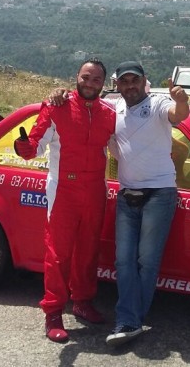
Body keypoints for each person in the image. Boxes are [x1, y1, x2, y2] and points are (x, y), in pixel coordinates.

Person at [50, 60, 190, 347]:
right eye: (124, 81)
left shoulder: (159, 103)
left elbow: (178, 115)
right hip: (127, 194)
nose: (130, 85)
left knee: (146, 261)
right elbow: (84, 110)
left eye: (134, 80)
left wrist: (182, 101)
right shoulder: (114, 109)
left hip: (160, 193)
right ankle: (130, 319)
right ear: (117, 85)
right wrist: (59, 93)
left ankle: (130, 319)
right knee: (123, 261)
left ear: (144, 81)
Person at [14, 59, 116, 343]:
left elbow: (125, 145)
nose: (90, 83)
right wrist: (23, 146)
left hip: (96, 190)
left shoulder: (110, 113)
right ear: (77, 77)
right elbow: (34, 147)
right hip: (63, 191)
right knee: (58, 254)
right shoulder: (56, 106)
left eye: (96, 80)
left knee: (88, 251)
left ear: (103, 84)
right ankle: (53, 312)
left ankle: (82, 302)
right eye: (86, 77)